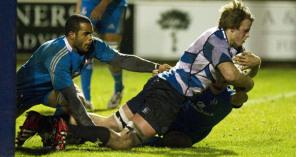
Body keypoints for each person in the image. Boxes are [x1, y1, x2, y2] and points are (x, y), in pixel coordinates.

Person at [18, 0, 255, 150]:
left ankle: (46, 122)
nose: (247, 35)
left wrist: (257, 63)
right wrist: (251, 81)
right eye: (245, 30)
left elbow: (121, 59)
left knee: (110, 122)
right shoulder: (218, 41)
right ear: (231, 28)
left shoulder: (225, 42)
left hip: (161, 84)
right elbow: (231, 75)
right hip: (168, 95)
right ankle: (63, 129)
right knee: (122, 140)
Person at [15, 14, 170, 150]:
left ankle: (44, 125)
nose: (90, 38)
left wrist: (156, 67)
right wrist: (94, 134)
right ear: (71, 35)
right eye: (86, 34)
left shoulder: (93, 45)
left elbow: (121, 60)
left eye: (91, 33)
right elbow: (72, 100)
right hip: (20, 92)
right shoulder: (59, 56)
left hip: (50, 90)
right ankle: (44, 125)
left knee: (77, 101)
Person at [76, 0, 128, 110]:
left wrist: (102, 5)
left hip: (114, 5)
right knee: (85, 48)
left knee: (112, 53)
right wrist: (78, 8)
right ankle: (87, 100)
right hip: (89, 3)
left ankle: (118, 88)